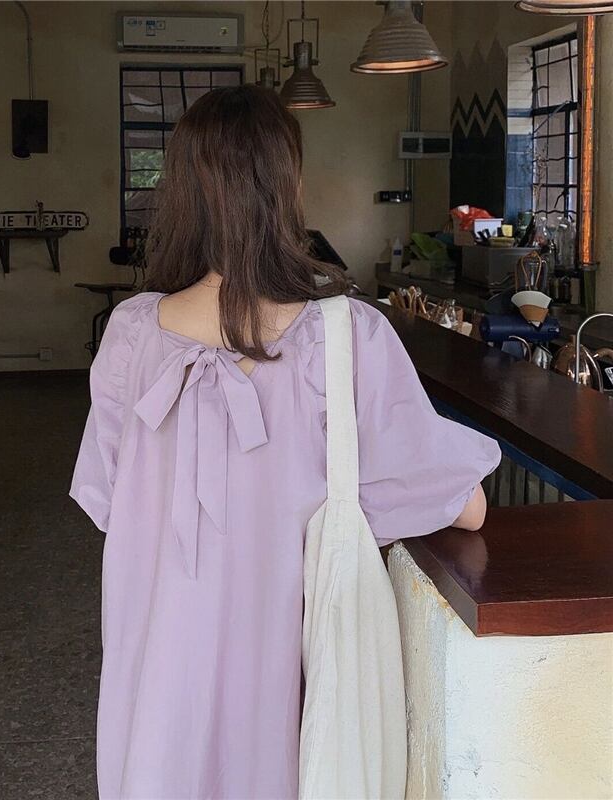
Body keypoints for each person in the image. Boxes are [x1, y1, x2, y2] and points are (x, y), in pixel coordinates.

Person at [70, 85, 500, 800]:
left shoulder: (131, 335)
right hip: (284, 676)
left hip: (155, 673)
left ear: (182, 192)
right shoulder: (348, 338)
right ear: (286, 188)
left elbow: (109, 498)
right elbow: (462, 504)